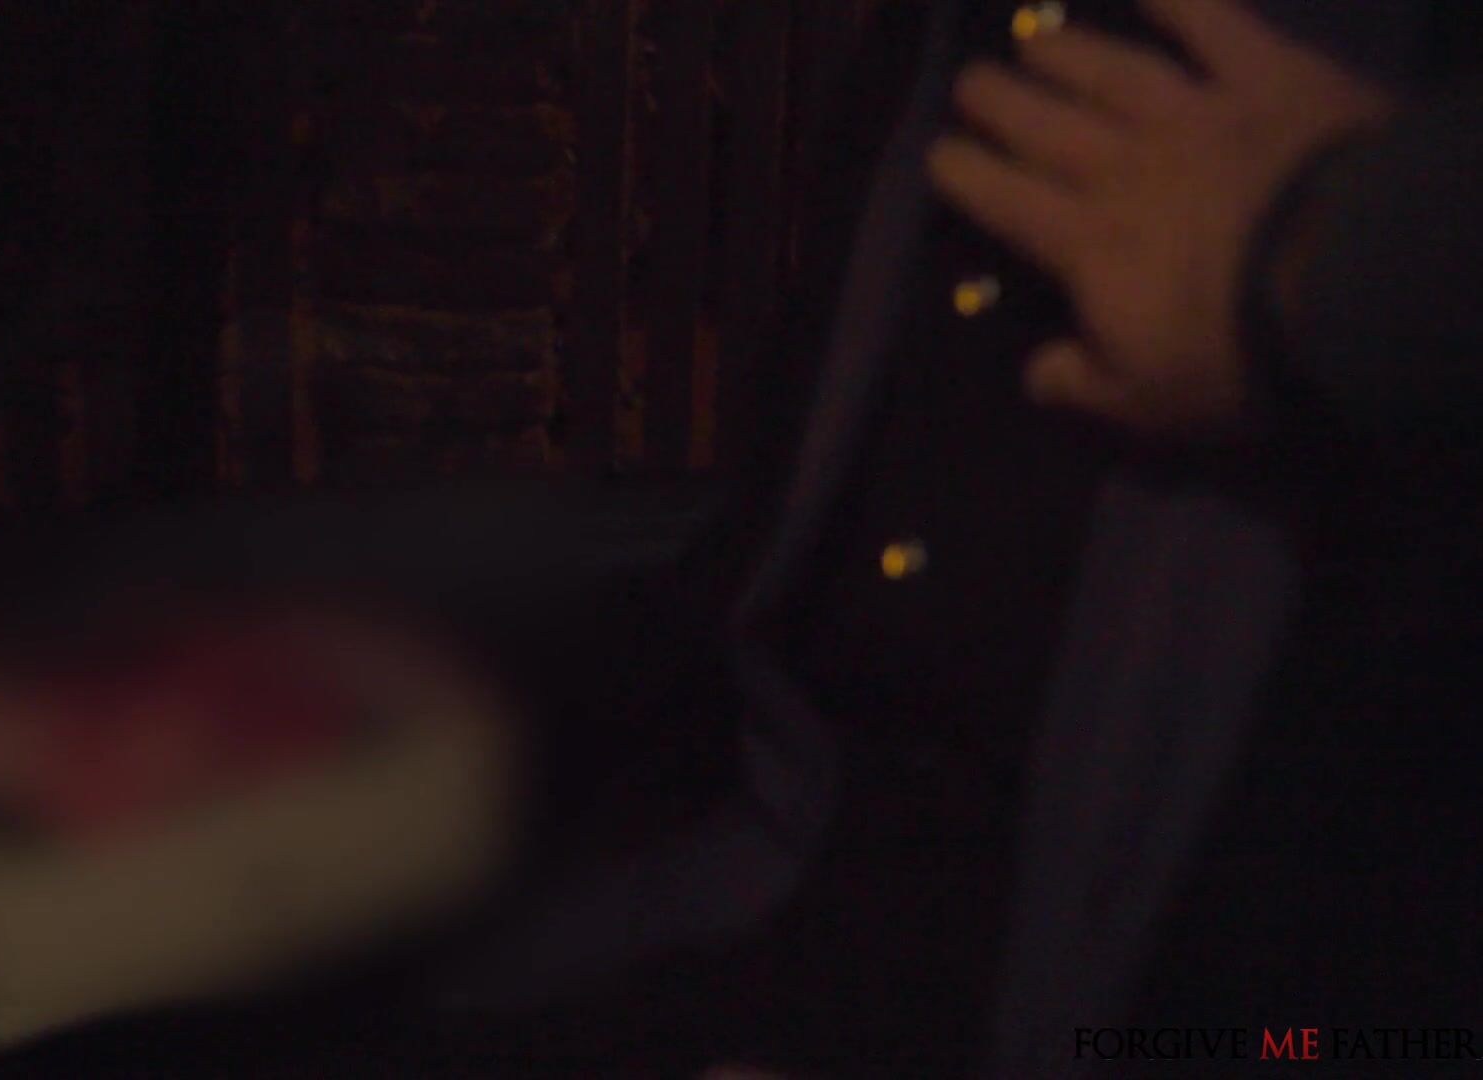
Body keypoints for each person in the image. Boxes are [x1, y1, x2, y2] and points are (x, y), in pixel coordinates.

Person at [430, 1, 1483, 1075]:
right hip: (755, 926)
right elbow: (771, 615)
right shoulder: (948, 49)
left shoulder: (1379, 126)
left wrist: (1331, 253)